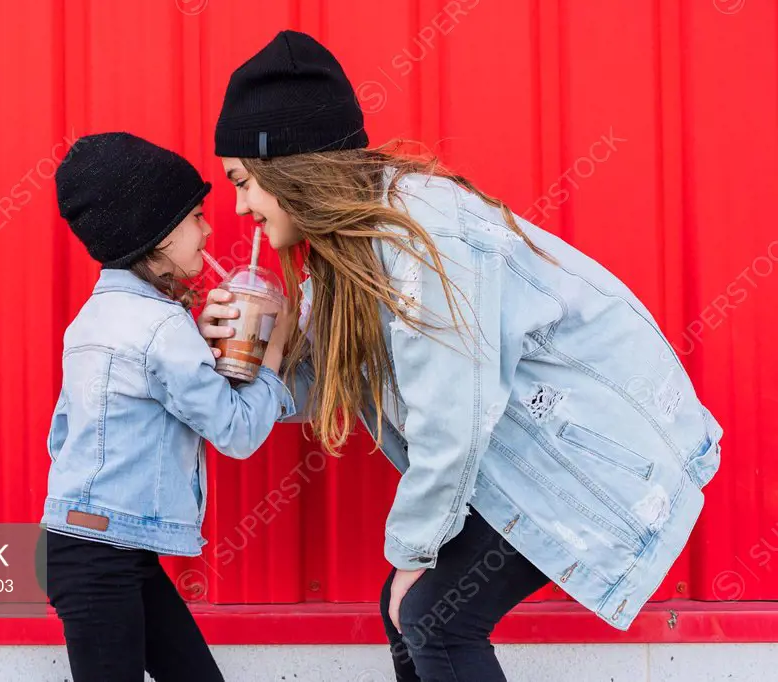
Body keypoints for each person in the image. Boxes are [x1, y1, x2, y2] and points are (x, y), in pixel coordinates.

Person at [197, 30, 724, 682]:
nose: (241, 205)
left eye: (244, 182)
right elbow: (319, 391)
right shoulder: (344, 254)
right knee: (414, 611)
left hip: (587, 450)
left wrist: (414, 551)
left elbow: (452, 415)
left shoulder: (423, 236)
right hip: (518, 455)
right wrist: (269, 342)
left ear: (293, 169)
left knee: (432, 615)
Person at [41, 132, 296, 681]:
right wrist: (274, 350)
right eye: (196, 217)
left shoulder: (93, 319)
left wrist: (196, 346)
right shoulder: (162, 327)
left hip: (85, 544)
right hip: (104, 556)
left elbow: (63, 437)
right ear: (153, 234)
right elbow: (238, 432)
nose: (208, 230)